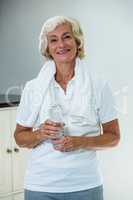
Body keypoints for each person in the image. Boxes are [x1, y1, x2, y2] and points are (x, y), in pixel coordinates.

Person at [14, 16, 120, 200]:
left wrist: (80, 142)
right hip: (40, 187)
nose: (61, 44)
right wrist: (40, 134)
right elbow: (20, 138)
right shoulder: (33, 88)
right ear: (47, 48)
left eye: (67, 37)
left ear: (78, 41)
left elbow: (113, 138)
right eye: (53, 40)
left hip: (86, 186)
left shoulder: (99, 85)